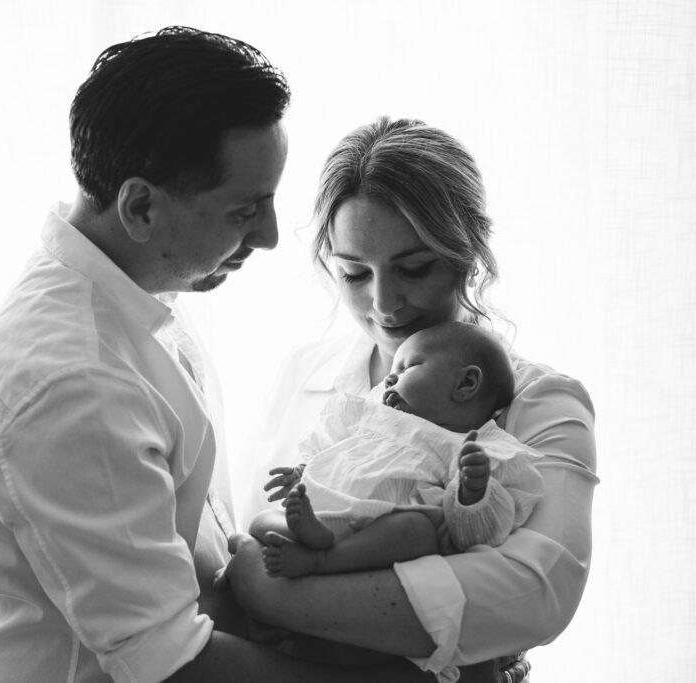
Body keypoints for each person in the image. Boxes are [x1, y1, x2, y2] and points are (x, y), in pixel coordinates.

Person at [0, 28, 432, 683]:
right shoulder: (71, 382)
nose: (267, 235)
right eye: (243, 210)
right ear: (141, 206)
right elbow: (172, 666)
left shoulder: (133, 293)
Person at [222, 117, 598, 683]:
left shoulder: (541, 401)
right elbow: (253, 522)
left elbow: (536, 590)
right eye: (354, 273)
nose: (385, 304)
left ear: (466, 254)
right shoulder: (305, 373)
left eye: (414, 268)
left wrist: (274, 597)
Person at [250, 321, 544, 580]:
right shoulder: (369, 413)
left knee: (417, 530)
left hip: (379, 540)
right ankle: (314, 544)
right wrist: (303, 471)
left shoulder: (473, 448)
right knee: (261, 522)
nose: (390, 379)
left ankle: (323, 559)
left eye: (408, 367)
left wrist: (474, 492)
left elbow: (480, 536)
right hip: (322, 516)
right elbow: (329, 445)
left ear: (465, 383)